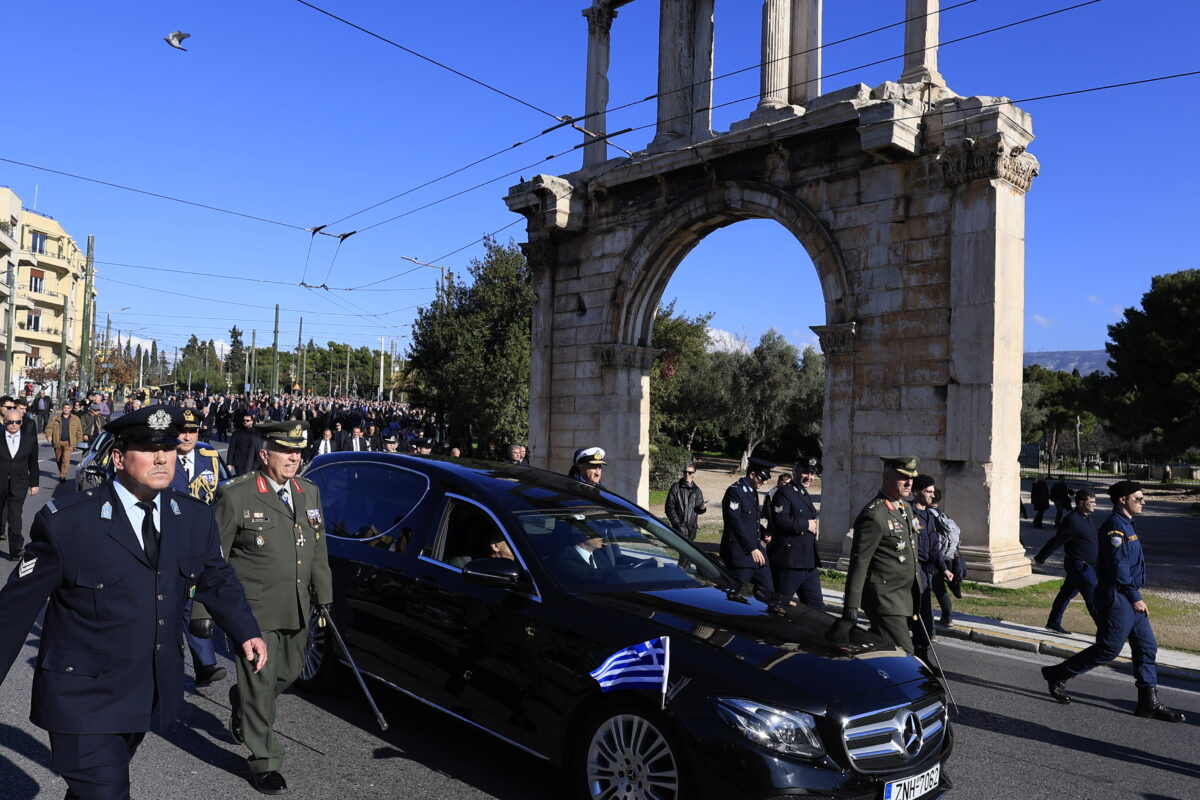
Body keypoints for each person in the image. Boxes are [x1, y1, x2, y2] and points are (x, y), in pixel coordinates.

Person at [0, 405, 266, 798]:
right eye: (147, 449)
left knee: (95, 789)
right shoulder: (69, 523)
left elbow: (216, 576)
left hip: (146, 692)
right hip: (82, 697)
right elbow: (13, 611)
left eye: (170, 449)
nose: (162, 458)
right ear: (120, 458)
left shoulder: (191, 518)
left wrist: (245, 630)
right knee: (106, 791)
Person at [193, 420, 333, 793]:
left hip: (297, 607)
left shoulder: (308, 492)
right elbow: (213, 557)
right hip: (251, 611)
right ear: (265, 453)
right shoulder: (237, 495)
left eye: (298, 451)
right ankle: (264, 759)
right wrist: (203, 611)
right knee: (260, 682)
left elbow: (317, 551)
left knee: (284, 674)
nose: (294, 458)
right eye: (286, 451)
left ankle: (242, 700)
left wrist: (325, 599)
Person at [1040, 481, 1185, 722]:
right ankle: (1057, 674)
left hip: (1128, 595)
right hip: (1118, 596)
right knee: (1108, 649)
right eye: (1138, 498)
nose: (1143, 502)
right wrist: (1135, 597)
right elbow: (1119, 568)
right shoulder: (1115, 527)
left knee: (1146, 646)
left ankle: (1148, 702)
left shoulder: (1127, 524)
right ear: (1123, 499)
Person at [829, 457, 921, 653]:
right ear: (887, 476)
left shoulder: (905, 509)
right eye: (903, 477)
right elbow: (860, 563)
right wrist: (851, 607)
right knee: (905, 654)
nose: (909, 483)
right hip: (885, 599)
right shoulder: (875, 514)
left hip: (903, 597)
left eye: (911, 478)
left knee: (884, 653)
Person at [170, 407, 228, 688]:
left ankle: (205, 665)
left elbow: (223, 497)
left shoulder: (210, 459)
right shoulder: (162, 457)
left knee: (193, 603)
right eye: (182, 431)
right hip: (167, 541)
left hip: (200, 542)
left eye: (192, 431)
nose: (187, 436)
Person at [1034, 488, 1099, 634]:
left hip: (1088, 566)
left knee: (1066, 594)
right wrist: (1041, 557)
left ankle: (1053, 622)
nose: (1095, 504)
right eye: (1092, 502)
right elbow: (1057, 540)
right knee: (1093, 598)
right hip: (1080, 566)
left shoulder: (1086, 518)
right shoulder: (1072, 520)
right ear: (1081, 503)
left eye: (1095, 502)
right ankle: (1107, 631)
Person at [768, 456, 825, 610]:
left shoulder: (803, 493)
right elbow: (779, 520)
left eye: (813, 474)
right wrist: (806, 524)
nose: (810, 477)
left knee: (818, 610)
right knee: (779, 607)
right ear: (795, 470)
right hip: (790, 563)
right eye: (806, 472)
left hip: (808, 562)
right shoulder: (784, 493)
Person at [910, 475, 953, 660]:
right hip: (911, 571)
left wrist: (943, 568)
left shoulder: (929, 515)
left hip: (925, 573)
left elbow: (935, 547)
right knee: (908, 617)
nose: (932, 495)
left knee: (925, 618)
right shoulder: (907, 513)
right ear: (917, 492)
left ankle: (922, 656)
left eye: (933, 491)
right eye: (928, 491)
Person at [720, 457, 775, 595]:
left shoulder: (751, 491)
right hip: (741, 555)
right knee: (734, 596)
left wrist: (763, 533)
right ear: (752, 475)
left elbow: (751, 521)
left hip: (757, 554)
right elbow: (734, 522)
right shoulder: (735, 491)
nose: (765, 482)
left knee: (768, 593)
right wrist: (751, 548)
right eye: (762, 478)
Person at [0, 408, 40, 559]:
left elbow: (33, 463)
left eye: (17, 422)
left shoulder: (29, 439)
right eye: (11, 422)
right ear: (5, 422)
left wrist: (34, 483)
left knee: (15, 516)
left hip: (19, 484)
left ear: (21, 422)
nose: (14, 425)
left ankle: (16, 550)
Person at [928, 488, 962, 626]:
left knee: (927, 591)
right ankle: (947, 618)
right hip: (947, 557)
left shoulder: (929, 515)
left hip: (934, 558)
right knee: (940, 589)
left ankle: (928, 624)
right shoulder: (943, 515)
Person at [664, 462, 706, 541]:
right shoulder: (676, 487)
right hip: (679, 527)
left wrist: (702, 508)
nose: (687, 474)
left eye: (689, 472)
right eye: (685, 472)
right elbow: (669, 508)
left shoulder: (697, 490)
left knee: (689, 552)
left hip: (692, 529)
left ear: (694, 474)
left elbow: (698, 510)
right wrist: (677, 524)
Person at [45, 402, 84, 483]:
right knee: (59, 459)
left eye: (68, 408)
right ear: (62, 409)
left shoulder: (75, 419)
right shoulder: (55, 418)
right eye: (64, 408)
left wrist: (79, 442)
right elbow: (49, 428)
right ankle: (62, 471)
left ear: (70, 409)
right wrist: (48, 435)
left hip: (69, 443)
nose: (66, 409)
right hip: (57, 442)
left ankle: (63, 476)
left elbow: (79, 431)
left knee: (66, 460)